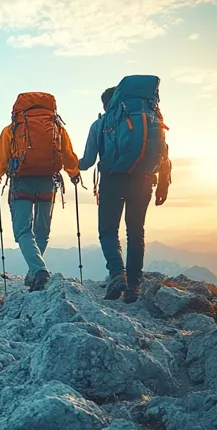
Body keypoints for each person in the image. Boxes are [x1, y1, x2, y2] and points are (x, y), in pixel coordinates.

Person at [80, 79, 172, 303]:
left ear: (106, 105)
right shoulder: (152, 119)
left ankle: (116, 274)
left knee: (109, 231)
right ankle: (134, 286)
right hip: (143, 181)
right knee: (135, 232)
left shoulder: (101, 124)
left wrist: (69, 163)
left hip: (112, 181)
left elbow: (87, 162)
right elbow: (163, 154)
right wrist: (163, 184)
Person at [0, 92, 82, 292]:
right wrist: (74, 173)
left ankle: (38, 270)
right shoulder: (57, 128)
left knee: (23, 230)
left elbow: (1, 156)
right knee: (42, 230)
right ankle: (35, 273)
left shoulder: (12, 129)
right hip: (47, 182)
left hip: (21, 182)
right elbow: (67, 153)